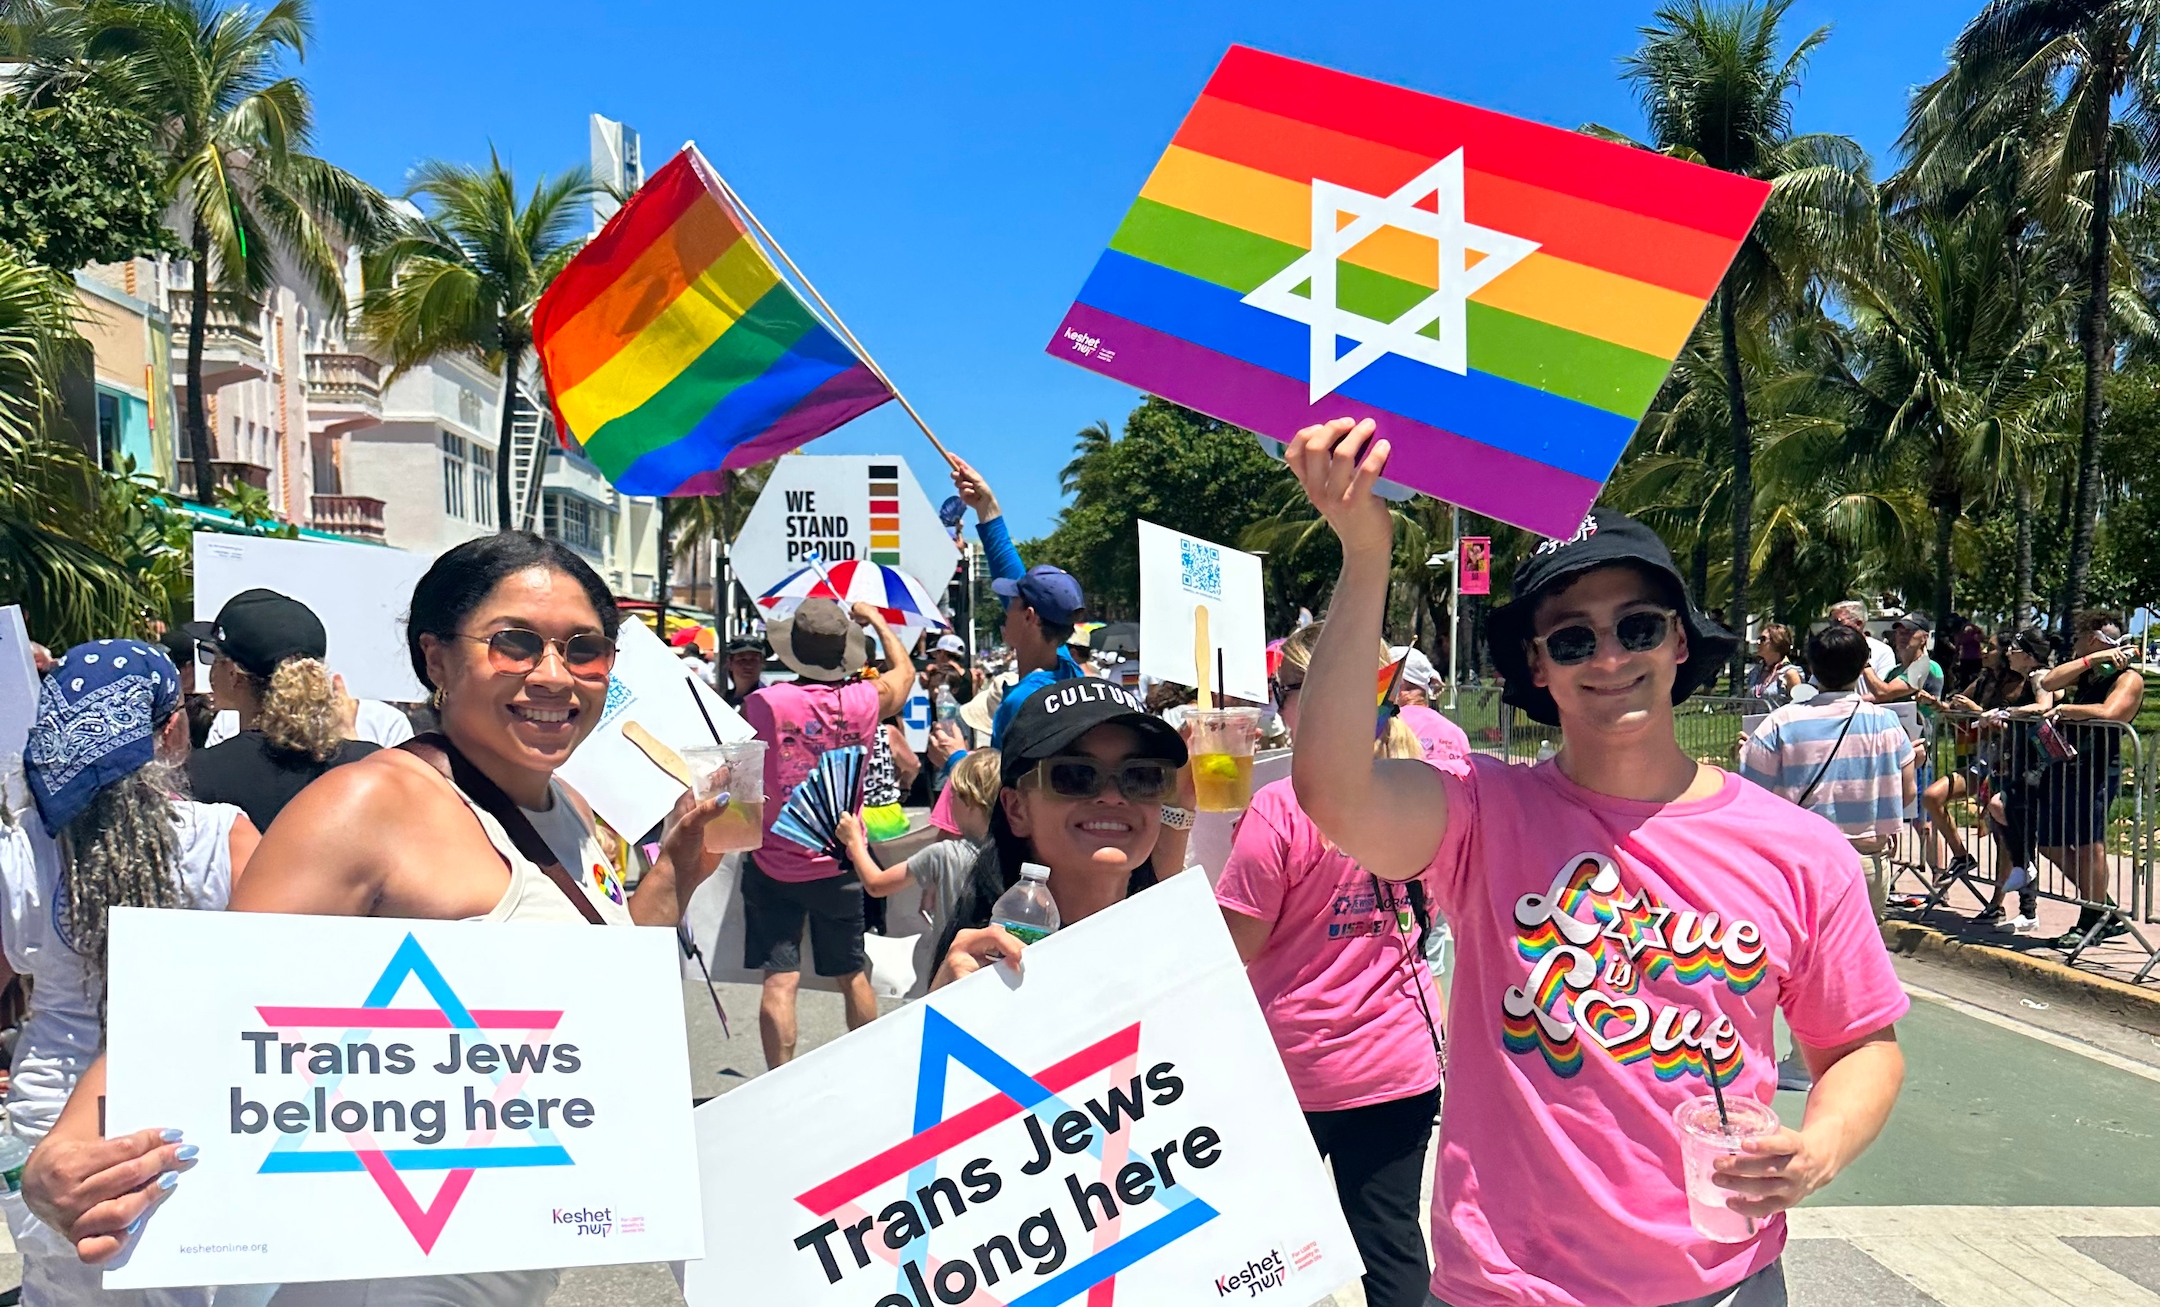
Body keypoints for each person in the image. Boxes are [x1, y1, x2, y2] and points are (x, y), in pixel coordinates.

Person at [1283, 418, 1905, 1307]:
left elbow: (1861, 1044)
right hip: (1508, 1288)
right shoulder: (1485, 812)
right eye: (1573, 638)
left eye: (1637, 626)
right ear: (1538, 667)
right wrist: (1364, 552)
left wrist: (1819, 1146)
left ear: (1679, 642)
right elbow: (1334, 792)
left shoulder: (1797, 848)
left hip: (1722, 1282)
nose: (1609, 656)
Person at [18, 531, 726, 1305]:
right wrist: (71, 1141)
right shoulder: (370, 804)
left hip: (507, 1271)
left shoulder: (572, 811)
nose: (552, 674)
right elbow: (208, 995)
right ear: (439, 658)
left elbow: (594, 1005)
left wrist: (674, 877)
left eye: (583, 648)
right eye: (515, 643)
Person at [2, 640, 257, 1307]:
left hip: (51, 1121)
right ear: (171, 730)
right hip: (187, 1113)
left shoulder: (23, 848)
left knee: (62, 1292)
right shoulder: (223, 836)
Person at [1219, 623, 1449, 1307]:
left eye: (1281, 690)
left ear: (1308, 698)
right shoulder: (1424, 789)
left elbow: (1239, 946)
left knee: (1264, 1257)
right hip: (1401, 1059)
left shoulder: (1279, 807)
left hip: (1296, 1069)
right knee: (1392, 1247)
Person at [739, 597, 917, 1067]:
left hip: (773, 861)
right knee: (852, 974)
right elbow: (906, 673)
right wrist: (877, 620)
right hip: (840, 859)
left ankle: (780, 1080)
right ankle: (871, 1068)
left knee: (780, 981)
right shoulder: (865, 700)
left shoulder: (763, 704)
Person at [932, 680, 1194, 987]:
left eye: (1141, 776)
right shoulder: (987, 968)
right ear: (1017, 809)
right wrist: (942, 1005)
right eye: (1076, 775)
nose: (1113, 796)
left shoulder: (1182, 948)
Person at [1739, 624, 1916, 914]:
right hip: (1865, 859)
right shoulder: (1886, 724)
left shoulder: (1781, 722)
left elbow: (1751, 796)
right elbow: (1906, 794)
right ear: (1862, 668)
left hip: (1798, 860)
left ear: (1813, 668)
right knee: (1857, 957)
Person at [183, 589, 384, 832]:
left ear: (233, 674)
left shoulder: (198, 774)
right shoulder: (370, 767)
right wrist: (353, 741)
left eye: (211, 655)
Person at [946, 453, 1088, 744]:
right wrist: (987, 509)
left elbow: (1006, 785)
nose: (1005, 606)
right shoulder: (1066, 670)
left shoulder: (1022, 702)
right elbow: (1012, 573)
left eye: (1012, 601)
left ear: (1030, 616)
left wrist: (954, 759)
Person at [836, 748, 1001, 987]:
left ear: (970, 802)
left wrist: (854, 841)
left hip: (948, 972)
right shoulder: (1015, 851)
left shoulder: (943, 854)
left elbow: (876, 884)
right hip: (996, 969)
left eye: (953, 796)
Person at [2030, 611, 2145, 950]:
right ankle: (2104, 907)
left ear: (2093, 637)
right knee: (2050, 843)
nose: (2075, 646)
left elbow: (2112, 713)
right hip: (2066, 765)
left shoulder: (2129, 679)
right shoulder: (2090, 671)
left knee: (2088, 846)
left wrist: (2066, 712)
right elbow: (2049, 682)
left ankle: (2091, 917)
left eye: (2081, 640)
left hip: (2097, 769)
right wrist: (2091, 659)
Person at [1829, 600, 1896, 680]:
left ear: (1858, 623)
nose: (1833, 627)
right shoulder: (1829, 648)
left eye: (1838, 622)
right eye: (1831, 622)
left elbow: (1884, 689)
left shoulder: (1882, 651)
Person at [1748, 624, 1807, 707]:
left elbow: (1799, 707)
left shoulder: (1790, 673)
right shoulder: (1754, 672)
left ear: (1777, 642)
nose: (1758, 643)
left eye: (1762, 639)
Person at [719, 637, 766, 709]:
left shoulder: (766, 699)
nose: (748, 665)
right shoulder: (722, 701)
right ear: (730, 663)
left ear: (762, 663)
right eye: (742, 660)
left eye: (753, 660)